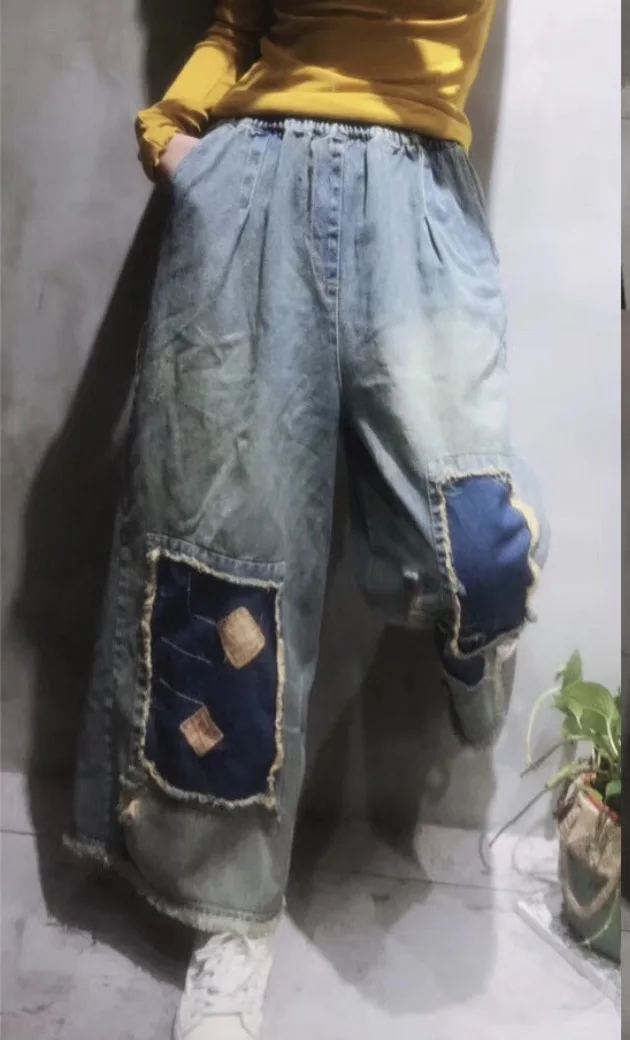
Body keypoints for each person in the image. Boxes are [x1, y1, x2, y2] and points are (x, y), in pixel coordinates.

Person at [68, 2, 549, 1037]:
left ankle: (475, 655)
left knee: (475, 549)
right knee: (229, 560)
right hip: (254, 188)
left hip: (418, 194)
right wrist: (176, 132)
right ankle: (230, 914)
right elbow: (237, 24)